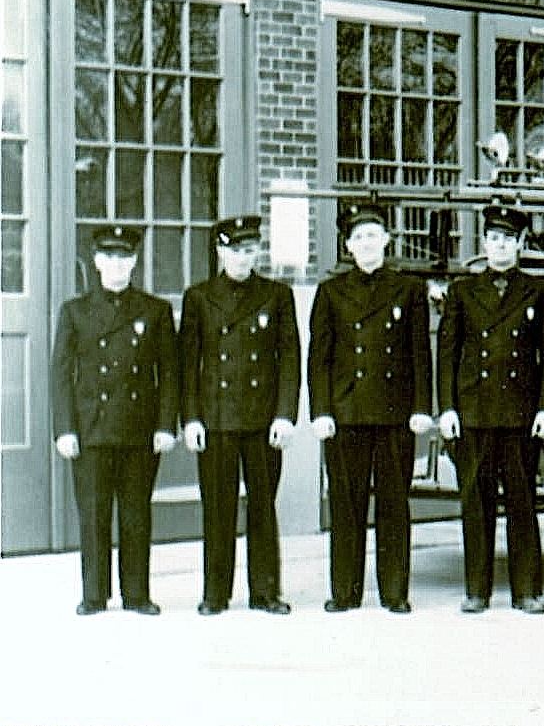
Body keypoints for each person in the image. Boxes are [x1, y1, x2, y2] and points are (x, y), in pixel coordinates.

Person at [308, 201, 435, 613]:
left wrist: (421, 407)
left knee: (395, 505)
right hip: (345, 414)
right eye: (358, 237)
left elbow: (420, 353)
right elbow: (319, 357)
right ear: (348, 245)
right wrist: (321, 411)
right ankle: (344, 591)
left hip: (395, 413)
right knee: (346, 505)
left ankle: (395, 591)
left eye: (373, 235)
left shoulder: (408, 289)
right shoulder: (330, 292)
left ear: (386, 240)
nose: (366, 243)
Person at [436, 202, 544, 614]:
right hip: (474, 412)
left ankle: (527, 590)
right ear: (483, 243)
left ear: (520, 243)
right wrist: (447, 408)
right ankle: (477, 589)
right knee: (476, 501)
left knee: (523, 503)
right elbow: (447, 353)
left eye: (507, 239)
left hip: (521, 415)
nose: (499, 246)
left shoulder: (539, 293)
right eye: (492, 238)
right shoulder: (463, 291)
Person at [51, 223, 179, 615]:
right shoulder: (75, 311)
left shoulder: (154, 310)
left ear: (135, 261)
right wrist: (64, 429)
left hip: (139, 428)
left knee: (136, 512)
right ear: (96, 261)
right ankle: (94, 594)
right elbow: (61, 373)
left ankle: (137, 594)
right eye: (109, 257)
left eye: (125, 257)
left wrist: (164, 425)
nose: (117, 265)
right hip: (91, 428)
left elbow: (169, 372)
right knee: (93, 513)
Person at [179, 214, 301, 615]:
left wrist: (285, 415)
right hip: (216, 420)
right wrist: (191, 419)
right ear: (220, 252)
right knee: (218, 508)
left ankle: (265, 592)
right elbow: (188, 364)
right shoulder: (198, 297)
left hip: (263, 420)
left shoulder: (276, 295)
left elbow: (289, 360)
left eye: (250, 250)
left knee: (263, 507)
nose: (243, 258)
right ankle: (215, 593)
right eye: (235, 250)